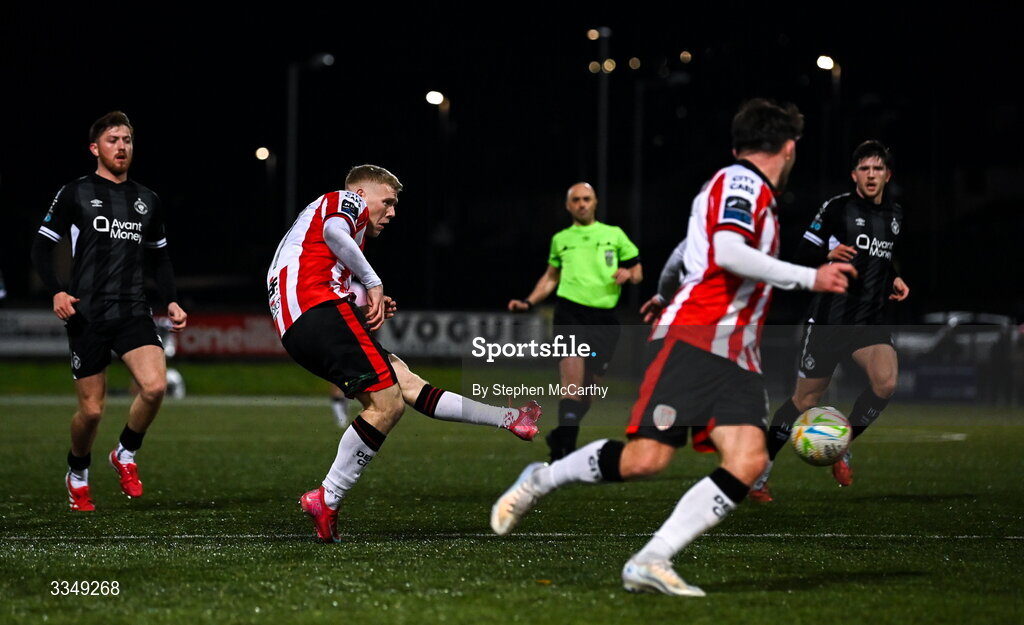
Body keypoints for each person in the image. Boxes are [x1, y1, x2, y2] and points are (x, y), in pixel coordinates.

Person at [490, 99, 857, 596]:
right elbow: (726, 252)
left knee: (747, 461)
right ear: (789, 148)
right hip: (698, 337)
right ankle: (543, 477)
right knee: (647, 459)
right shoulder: (742, 182)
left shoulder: (745, 190)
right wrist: (811, 275)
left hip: (736, 352)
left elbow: (694, 251)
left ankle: (651, 559)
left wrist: (664, 290)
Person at [267, 164, 542, 543]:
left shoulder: (317, 237)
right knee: (387, 405)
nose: (393, 212)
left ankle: (509, 417)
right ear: (362, 194)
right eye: (389, 201)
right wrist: (373, 281)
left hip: (302, 322)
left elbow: (323, 264)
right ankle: (326, 497)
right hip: (314, 310)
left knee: (406, 383)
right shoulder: (345, 201)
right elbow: (335, 231)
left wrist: (362, 302)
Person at [31, 111, 187, 511]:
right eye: (113, 139)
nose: (122, 146)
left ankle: (125, 453)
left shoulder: (146, 200)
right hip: (87, 314)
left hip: (133, 309)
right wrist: (57, 292)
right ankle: (77, 471)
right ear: (95, 148)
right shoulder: (75, 193)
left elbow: (161, 258)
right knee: (92, 411)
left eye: (128, 140)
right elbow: (41, 248)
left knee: (154, 387)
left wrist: (170, 299)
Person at [751, 140, 909, 500]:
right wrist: (826, 251)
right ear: (855, 175)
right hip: (829, 320)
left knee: (885, 384)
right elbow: (801, 252)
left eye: (878, 169)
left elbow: (879, 262)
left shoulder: (895, 216)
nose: (872, 176)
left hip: (869, 320)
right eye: (865, 169)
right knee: (802, 402)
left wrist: (893, 279)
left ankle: (842, 444)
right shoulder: (838, 208)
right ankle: (761, 470)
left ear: (888, 175)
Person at [508, 182, 642, 461]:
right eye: (576, 200)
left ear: (595, 203)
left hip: (604, 319)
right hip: (569, 315)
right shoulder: (561, 239)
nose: (582, 204)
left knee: (587, 394)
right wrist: (530, 302)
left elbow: (637, 269)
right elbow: (550, 278)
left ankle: (561, 435)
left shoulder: (614, 234)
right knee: (572, 383)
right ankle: (565, 452)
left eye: (587, 199)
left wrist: (630, 276)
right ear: (568, 206)